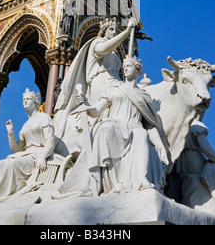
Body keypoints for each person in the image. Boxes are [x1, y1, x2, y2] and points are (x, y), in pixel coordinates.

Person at [58, 57, 168, 197]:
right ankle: (113, 183)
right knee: (106, 127)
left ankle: (142, 180)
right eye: (125, 66)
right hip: (116, 124)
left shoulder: (143, 96)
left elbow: (150, 126)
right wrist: (86, 104)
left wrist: (161, 146)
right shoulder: (114, 90)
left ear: (138, 69)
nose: (126, 68)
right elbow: (96, 110)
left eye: (129, 66)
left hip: (135, 127)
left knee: (142, 134)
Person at [54, 17, 137, 140]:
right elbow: (103, 50)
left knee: (134, 94)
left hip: (116, 82)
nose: (114, 32)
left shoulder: (114, 52)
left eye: (116, 30)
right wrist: (126, 32)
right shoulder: (97, 42)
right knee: (119, 95)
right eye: (111, 29)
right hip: (102, 83)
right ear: (104, 30)